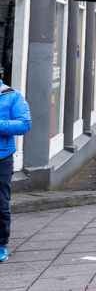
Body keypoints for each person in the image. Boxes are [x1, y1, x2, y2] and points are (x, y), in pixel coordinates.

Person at [0, 65, 31, 263]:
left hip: (1, 157)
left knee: (0, 203)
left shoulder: (12, 96)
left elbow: (24, 124)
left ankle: (1, 244)